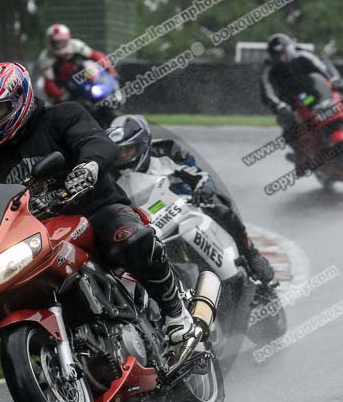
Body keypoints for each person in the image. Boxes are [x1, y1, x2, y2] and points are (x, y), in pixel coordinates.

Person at [0, 62, 196, 344]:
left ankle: (175, 311)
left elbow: (97, 142)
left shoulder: (62, 116)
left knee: (129, 238)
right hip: (34, 234)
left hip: (95, 210)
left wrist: (89, 166)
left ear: (19, 99)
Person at [105, 115, 275, 286]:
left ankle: (251, 255)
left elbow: (199, 174)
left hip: (184, 202)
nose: (124, 156)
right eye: (120, 151)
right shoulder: (108, 170)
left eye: (130, 149)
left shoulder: (167, 150)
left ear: (143, 145)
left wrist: (203, 189)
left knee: (219, 206)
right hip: (147, 220)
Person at [260, 33, 343, 167]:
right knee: (289, 124)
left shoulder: (303, 55)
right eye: (277, 56)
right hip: (290, 103)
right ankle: (301, 156)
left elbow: (324, 67)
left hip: (313, 95)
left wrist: (335, 80)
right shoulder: (269, 68)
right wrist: (279, 106)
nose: (281, 58)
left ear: (289, 49)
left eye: (283, 53)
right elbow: (266, 90)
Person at [38, 23, 116, 103]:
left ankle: (112, 90)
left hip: (83, 79)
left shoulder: (76, 45)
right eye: (56, 43)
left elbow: (95, 55)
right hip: (64, 86)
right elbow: (49, 83)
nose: (59, 46)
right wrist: (60, 95)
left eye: (62, 42)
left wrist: (109, 68)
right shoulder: (45, 58)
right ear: (49, 42)